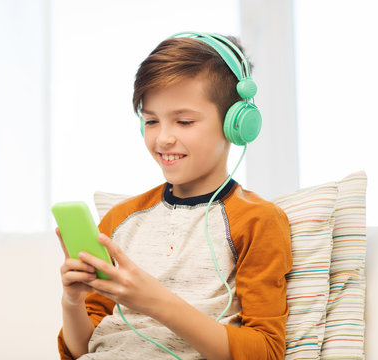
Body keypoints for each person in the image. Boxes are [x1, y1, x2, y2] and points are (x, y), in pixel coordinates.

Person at [56, 32, 292, 360]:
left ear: (235, 124)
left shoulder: (256, 220)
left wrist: (156, 302)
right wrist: (71, 301)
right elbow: (80, 349)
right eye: (151, 121)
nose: (163, 138)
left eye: (183, 121)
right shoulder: (120, 220)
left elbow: (265, 352)